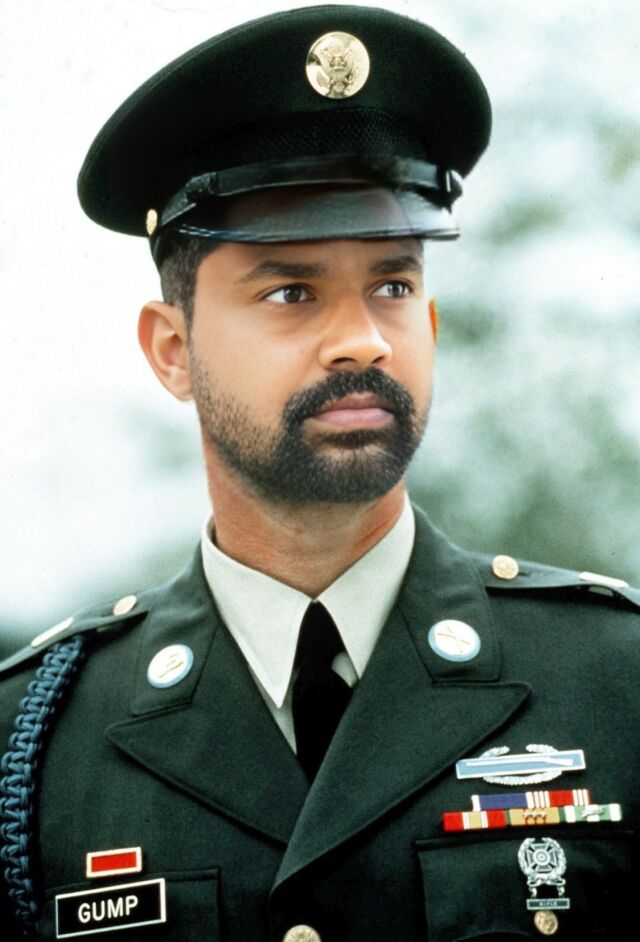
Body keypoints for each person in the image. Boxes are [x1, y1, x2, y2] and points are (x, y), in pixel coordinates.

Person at [0, 5, 638, 941]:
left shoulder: (617, 681)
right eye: (292, 291)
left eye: (393, 284)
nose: (363, 340)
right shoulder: (34, 742)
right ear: (173, 351)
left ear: (430, 325)